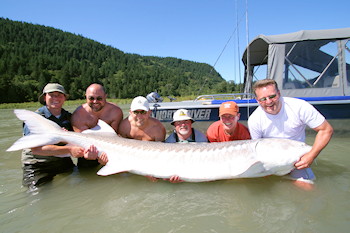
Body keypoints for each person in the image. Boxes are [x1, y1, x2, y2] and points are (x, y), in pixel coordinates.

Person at [247, 79, 333, 188]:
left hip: (296, 160)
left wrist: (311, 156)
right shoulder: (254, 119)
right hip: (269, 161)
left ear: (279, 93)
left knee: (308, 188)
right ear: (257, 100)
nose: (268, 102)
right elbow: (256, 150)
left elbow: (326, 130)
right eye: (263, 99)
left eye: (272, 96)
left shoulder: (299, 106)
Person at [21, 83, 85, 189]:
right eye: (51, 95)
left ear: (64, 98)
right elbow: (36, 149)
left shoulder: (70, 117)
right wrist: (70, 149)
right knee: (37, 195)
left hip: (62, 161)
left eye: (59, 95)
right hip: (37, 164)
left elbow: (80, 138)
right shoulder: (35, 119)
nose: (55, 98)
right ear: (45, 97)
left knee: (81, 185)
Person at [71, 83, 123, 167]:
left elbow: (116, 136)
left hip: (111, 150)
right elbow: (80, 142)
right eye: (91, 98)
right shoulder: (78, 115)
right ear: (86, 97)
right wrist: (87, 155)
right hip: (88, 153)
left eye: (99, 98)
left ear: (105, 96)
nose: (95, 101)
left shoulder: (115, 111)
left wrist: (108, 156)